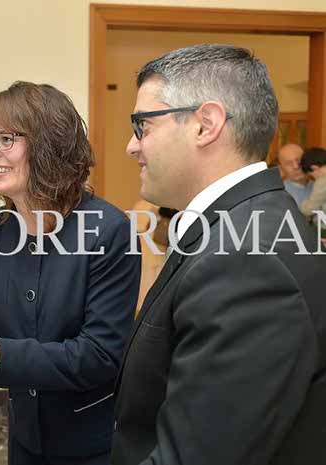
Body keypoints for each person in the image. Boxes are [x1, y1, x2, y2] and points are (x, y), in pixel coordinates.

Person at [113, 44, 326, 465]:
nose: (131, 146)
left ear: (205, 124)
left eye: (143, 126)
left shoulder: (247, 260)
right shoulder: (234, 227)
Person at [0, 81, 141, 465]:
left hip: (93, 444)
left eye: (5, 139)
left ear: (48, 144)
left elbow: (99, 355)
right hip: (24, 436)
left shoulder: (109, 231)